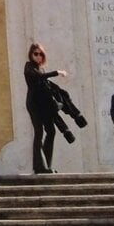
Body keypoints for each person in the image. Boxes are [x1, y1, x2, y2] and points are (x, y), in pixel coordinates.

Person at [24, 43, 75, 174]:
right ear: (31, 54)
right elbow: (37, 77)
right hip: (34, 105)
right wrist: (56, 72)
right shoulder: (29, 67)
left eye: (41, 54)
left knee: (51, 131)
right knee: (39, 132)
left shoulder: (41, 69)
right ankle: (39, 166)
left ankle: (46, 164)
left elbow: (45, 84)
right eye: (35, 54)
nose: (38, 56)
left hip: (44, 105)